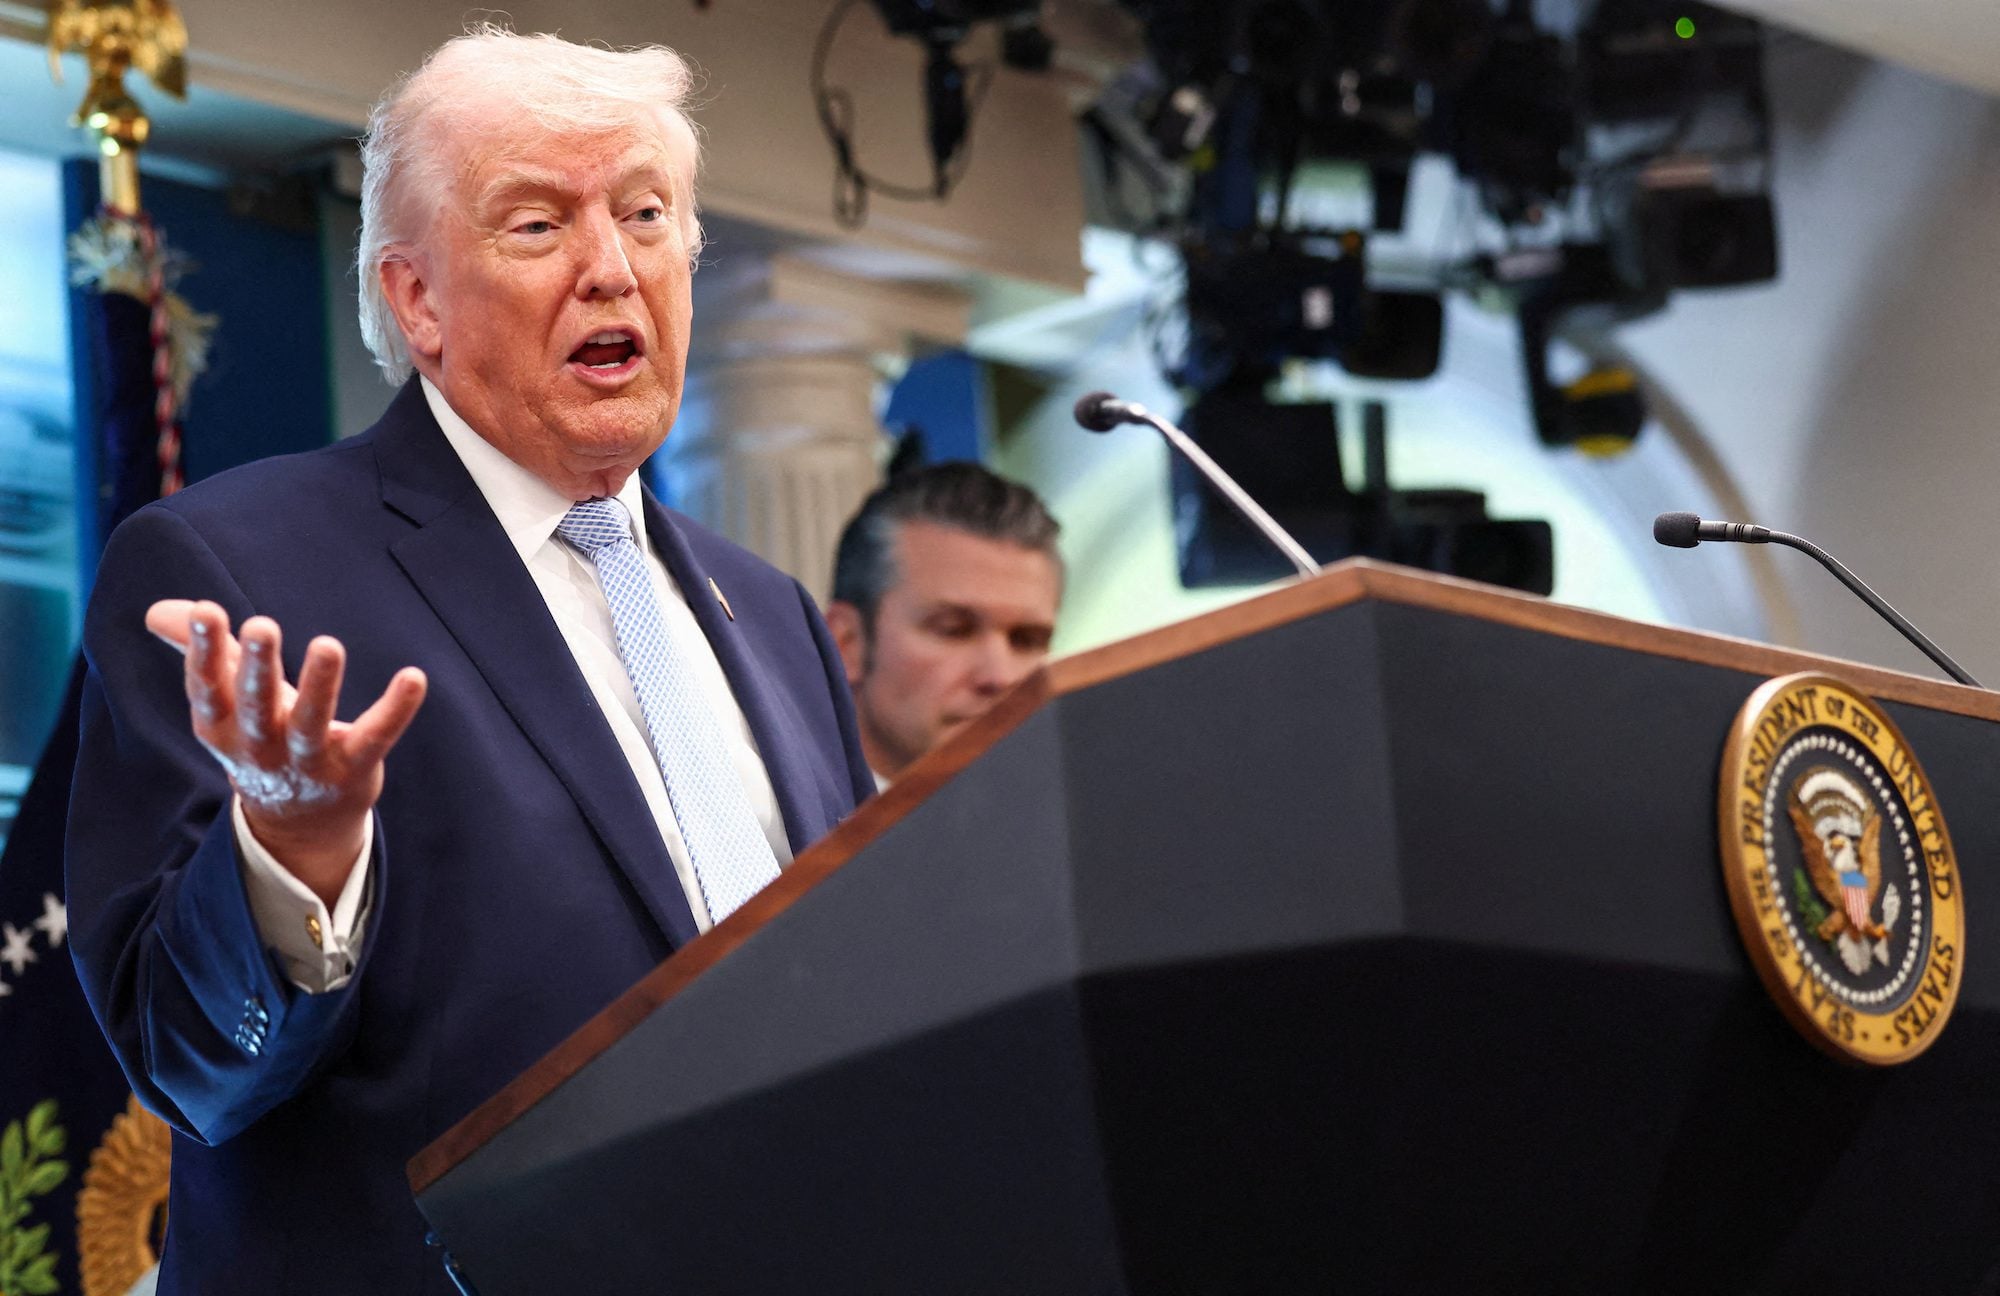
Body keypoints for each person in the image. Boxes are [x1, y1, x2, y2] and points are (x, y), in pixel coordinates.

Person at [65, 28, 873, 1295]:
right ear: (418, 301)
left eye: (646, 215)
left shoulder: (771, 614)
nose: (611, 268)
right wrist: (290, 858)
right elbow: (186, 1062)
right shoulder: (234, 566)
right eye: (539, 226)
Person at [824, 462, 1063, 786]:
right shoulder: (773, 812)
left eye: (1027, 639)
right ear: (846, 642)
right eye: (954, 630)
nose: (999, 677)